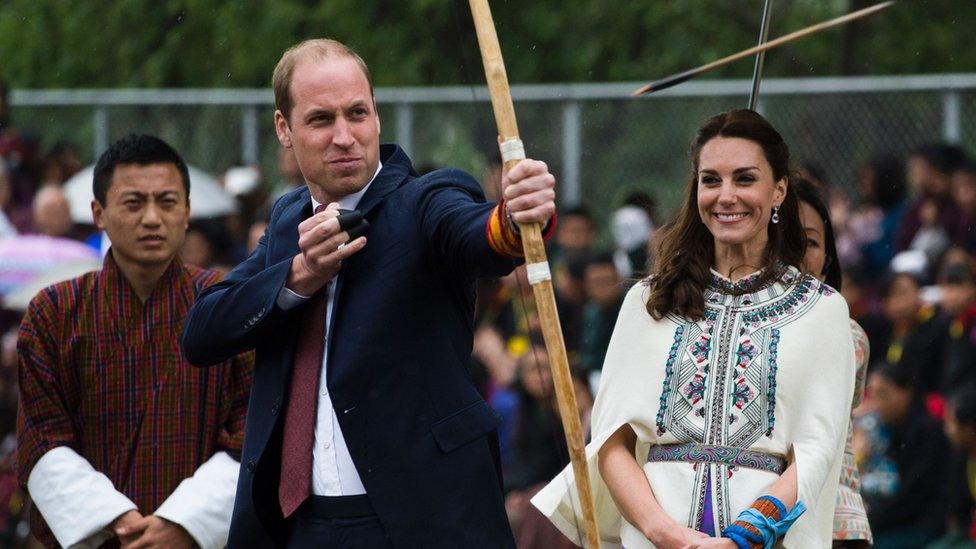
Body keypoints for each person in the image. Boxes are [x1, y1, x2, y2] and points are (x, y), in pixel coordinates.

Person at [181, 38, 556, 548]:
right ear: (283, 129)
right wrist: (299, 275)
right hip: (299, 523)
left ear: (377, 116)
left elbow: (479, 233)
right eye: (320, 119)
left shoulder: (426, 198)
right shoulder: (289, 220)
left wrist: (513, 219)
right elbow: (202, 332)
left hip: (420, 522)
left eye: (357, 113)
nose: (344, 137)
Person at [533, 109, 855, 548]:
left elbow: (818, 450)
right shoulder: (648, 301)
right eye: (711, 180)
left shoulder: (822, 309)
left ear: (778, 190)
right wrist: (666, 535)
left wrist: (742, 538)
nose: (726, 196)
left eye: (745, 179)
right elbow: (611, 442)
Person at [16, 134, 252, 548]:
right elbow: (42, 439)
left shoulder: (230, 304)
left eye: (166, 202)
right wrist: (119, 521)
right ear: (98, 213)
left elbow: (251, 435)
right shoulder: (53, 312)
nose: (151, 218)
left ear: (187, 212)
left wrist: (182, 524)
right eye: (133, 203)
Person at [793, 178, 873, 547]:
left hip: (829, 518)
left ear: (827, 261)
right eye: (785, 239)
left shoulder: (848, 334)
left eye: (810, 242)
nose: (796, 252)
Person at [858, 364, 948, 547]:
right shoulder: (884, 429)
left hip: (919, 526)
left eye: (883, 395)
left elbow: (912, 496)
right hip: (891, 519)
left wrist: (872, 514)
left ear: (906, 392)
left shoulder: (927, 433)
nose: (875, 404)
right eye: (872, 395)